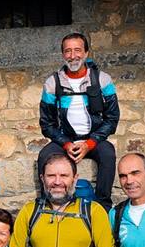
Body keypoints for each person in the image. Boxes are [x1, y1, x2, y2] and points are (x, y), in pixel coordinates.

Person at [37, 33, 120, 209]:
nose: (73, 56)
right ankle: (46, 204)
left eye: (77, 50)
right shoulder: (53, 83)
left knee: (108, 154)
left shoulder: (102, 80)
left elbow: (112, 119)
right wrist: (66, 143)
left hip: (94, 139)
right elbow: (47, 124)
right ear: (62, 55)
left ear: (86, 53)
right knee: (44, 156)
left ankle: (103, 207)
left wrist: (90, 143)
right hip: (64, 139)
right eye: (68, 51)